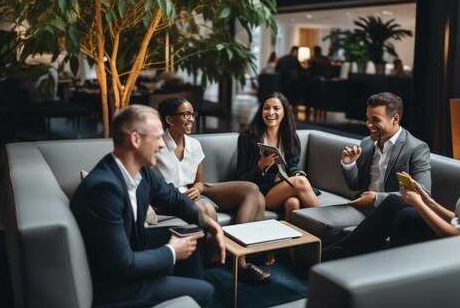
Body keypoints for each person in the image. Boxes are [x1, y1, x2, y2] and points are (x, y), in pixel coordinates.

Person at [70, 105, 226, 308]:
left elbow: (175, 200)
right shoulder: (103, 189)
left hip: (133, 247)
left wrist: (210, 226)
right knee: (205, 291)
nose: (163, 144)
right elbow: (120, 266)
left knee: (189, 237)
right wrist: (171, 251)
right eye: (158, 137)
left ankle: (188, 293)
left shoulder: (142, 172)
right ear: (135, 140)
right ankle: (193, 295)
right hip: (113, 285)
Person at [324, 116, 460, 260]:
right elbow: (459, 219)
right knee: (397, 203)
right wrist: (427, 200)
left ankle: (348, 259)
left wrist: (420, 205)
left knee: (407, 218)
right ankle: (347, 257)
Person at [153, 98, 270, 283]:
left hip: (194, 192)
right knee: (206, 209)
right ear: (169, 120)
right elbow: (152, 186)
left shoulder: (194, 145)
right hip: (170, 199)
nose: (191, 119)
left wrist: (198, 189)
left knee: (252, 189)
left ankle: (240, 255)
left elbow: (199, 181)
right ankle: (238, 264)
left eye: (193, 114)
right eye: (186, 114)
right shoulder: (156, 146)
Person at [329, 92, 431, 233]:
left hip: (391, 213)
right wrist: (349, 164)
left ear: (395, 119)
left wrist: (376, 198)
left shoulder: (417, 148)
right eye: (367, 118)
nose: (369, 124)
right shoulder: (366, 143)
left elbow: (423, 193)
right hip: (363, 207)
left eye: (375, 120)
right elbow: (355, 185)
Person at [236, 92, 320, 224]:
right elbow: (240, 178)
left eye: (276, 108)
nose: (271, 112)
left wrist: (297, 172)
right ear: (261, 111)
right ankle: (326, 223)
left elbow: (292, 166)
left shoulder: (291, 137)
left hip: (283, 188)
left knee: (293, 203)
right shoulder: (247, 137)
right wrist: (259, 167)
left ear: (284, 112)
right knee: (301, 182)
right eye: (266, 108)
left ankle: (290, 244)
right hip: (261, 192)